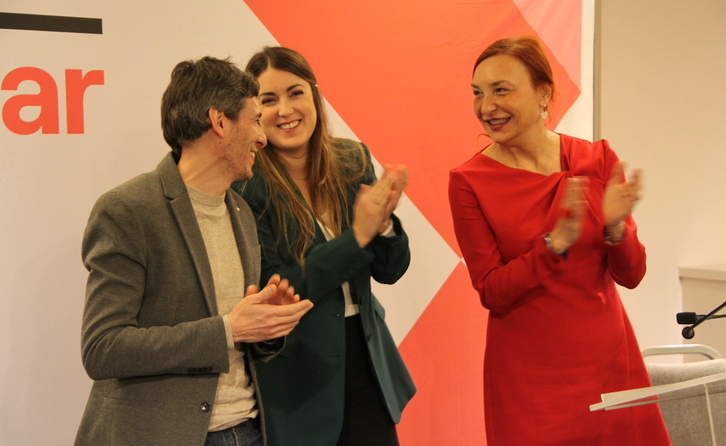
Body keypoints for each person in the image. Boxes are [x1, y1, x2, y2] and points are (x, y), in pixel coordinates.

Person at [75, 56, 313, 446]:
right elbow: (104, 348)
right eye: (254, 120)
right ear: (219, 121)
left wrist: (263, 328)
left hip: (248, 431)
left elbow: (236, 337)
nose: (262, 137)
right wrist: (227, 329)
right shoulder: (128, 209)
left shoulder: (241, 212)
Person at [448, 37, 671, 445]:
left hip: (608, 365)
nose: (486, 107)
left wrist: (617, 229)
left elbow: (632, 274)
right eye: (478, 94)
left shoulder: (596, 160)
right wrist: (553, 244)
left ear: (543, 93)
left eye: (501, 90)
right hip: (529, 380)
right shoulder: (468, 183)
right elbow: (492, 292)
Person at [231, 46, 415, 446]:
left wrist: (382, 227)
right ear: (253, 112)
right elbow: (282, 287)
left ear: (314, 95)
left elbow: (390, 270)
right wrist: (358, 237)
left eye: (295, 92)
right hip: (297, 378)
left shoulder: (350, 159)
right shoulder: (246, 184)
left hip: (367, 362)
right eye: (268, 100)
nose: (285, 109)